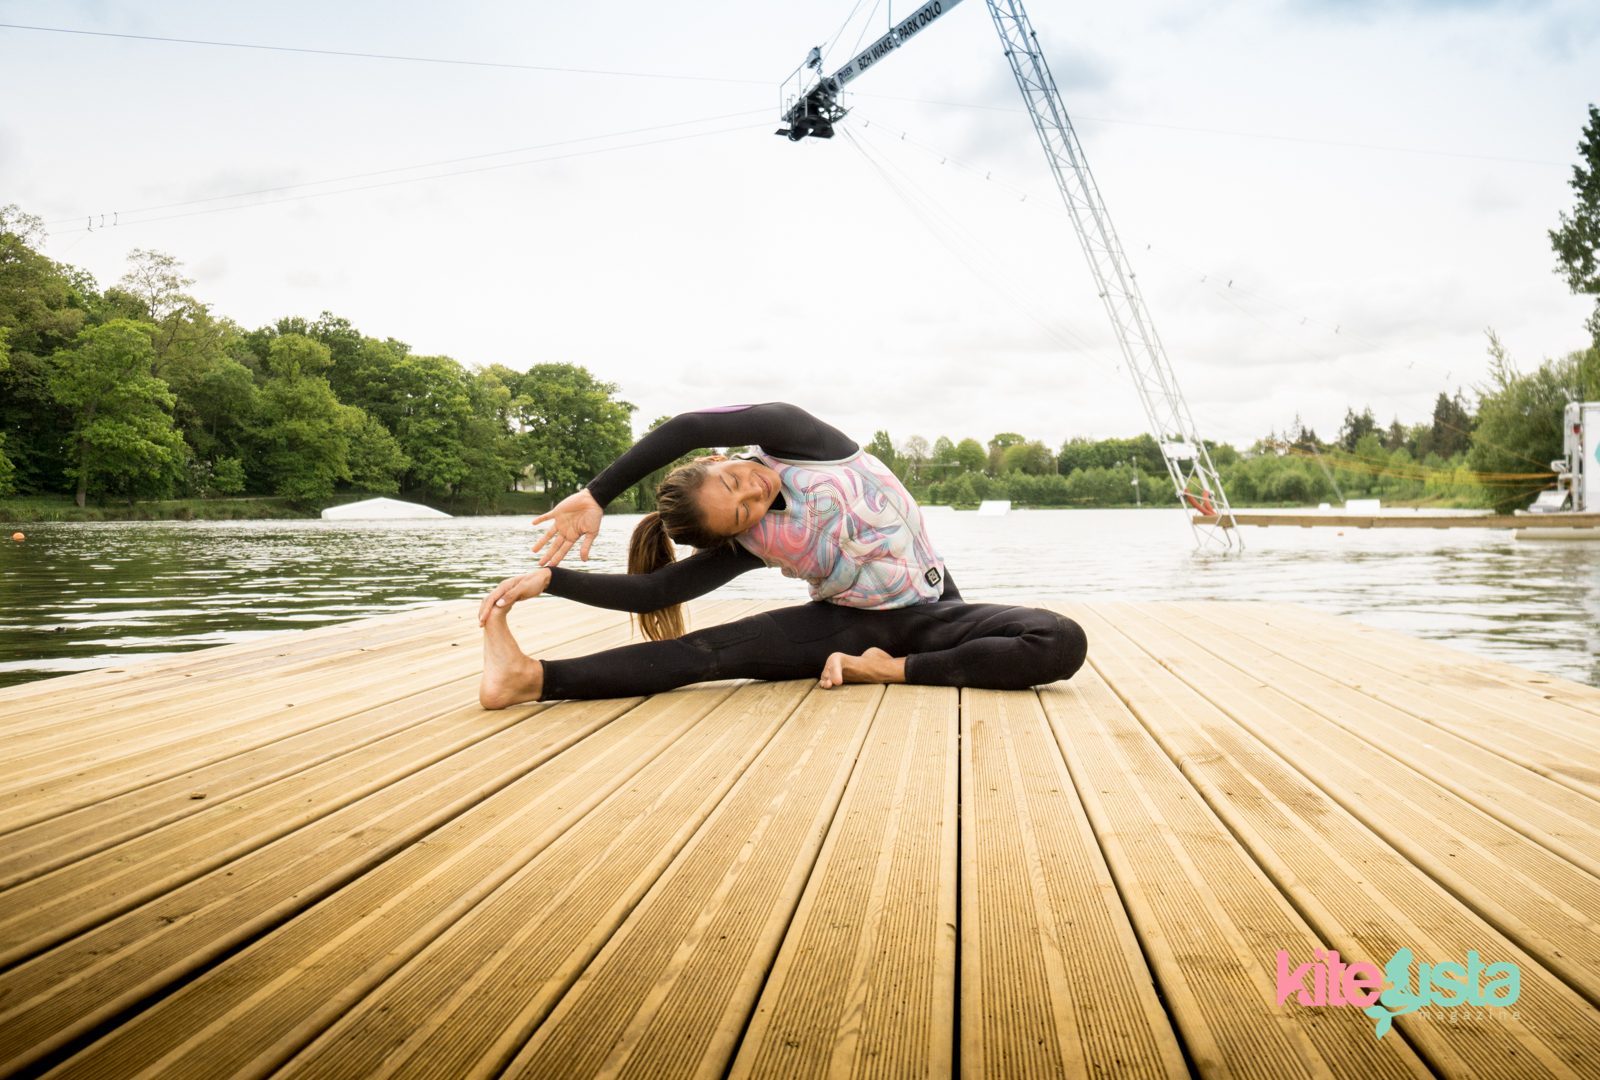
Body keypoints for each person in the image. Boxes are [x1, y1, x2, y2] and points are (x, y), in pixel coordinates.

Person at [478, 403, 1086, 708]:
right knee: (704, 655)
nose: (753, 492)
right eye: (739, 513)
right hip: (846, 623)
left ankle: (886, 668)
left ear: (719, 458)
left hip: (934, 611)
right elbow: (655, 594)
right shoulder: (752, 542)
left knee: (1061, 641)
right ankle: (531, 678)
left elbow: (688, 424)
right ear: (734, 534)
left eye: (734, 480)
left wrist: (595, 494)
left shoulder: (798, 443)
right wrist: (552, 579)